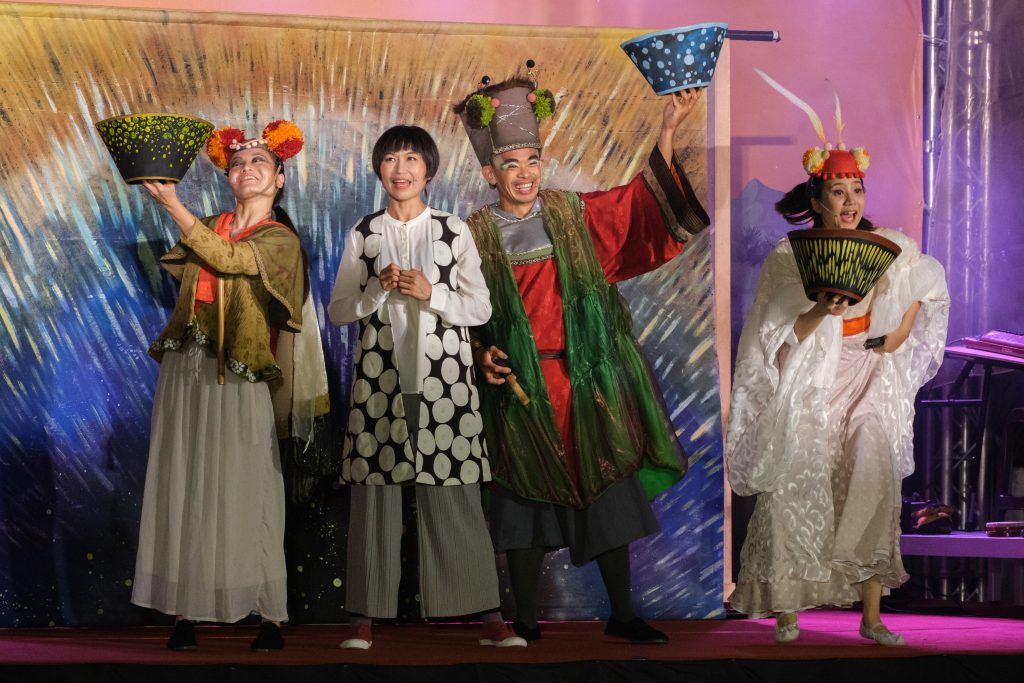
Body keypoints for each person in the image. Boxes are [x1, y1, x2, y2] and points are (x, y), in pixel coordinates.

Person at [454, 70, 710, 643]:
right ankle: (525, 619)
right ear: (490, 172)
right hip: (520, 387)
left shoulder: (574, 214)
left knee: (607, 490)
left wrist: (668, 129)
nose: (525, 173)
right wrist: (480, 352)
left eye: (532, 160)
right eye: (511, 164)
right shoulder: (470, 236)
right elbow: (456, 312)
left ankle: (623, 615)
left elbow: (637, 207)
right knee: (523, 501)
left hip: (587, 379)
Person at [725, 86, 950, 646]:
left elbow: (927, 286)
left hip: (868, 374)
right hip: (813, 379)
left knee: (871, 470)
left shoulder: (888, 245)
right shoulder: (790, 257)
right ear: (817, 198)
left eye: (857, 190)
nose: (849, 201)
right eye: (837, 191)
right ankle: (788, 610)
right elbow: (775, 338)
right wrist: (817, 312)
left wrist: (897, 332)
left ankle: (871, 617)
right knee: (797, 478)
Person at [132, 120, 329, 651]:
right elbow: (192, 266)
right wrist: (181, 215)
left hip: (239, 370)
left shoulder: (279, 240)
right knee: (187, 479)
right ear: (228, 177)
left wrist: (172, 206)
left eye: (260, 162)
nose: (247, 169)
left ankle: (269, 613)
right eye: (237, 163)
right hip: (187, 368)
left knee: (248, 485)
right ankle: (187, 609)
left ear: (280, 179)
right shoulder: (211, 225)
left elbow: (231, 260)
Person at [327, 125, 525, 650]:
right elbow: (339, 310)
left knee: (455, 493)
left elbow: (479, 307)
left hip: (445, 385)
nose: (401, 169)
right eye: (391, 159)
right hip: (380, 385)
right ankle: (364, 619)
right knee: (375, 495)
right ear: (379, 169)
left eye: (412, 158)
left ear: (429, 170)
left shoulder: (452, 229)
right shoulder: (364, 232)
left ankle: (488, 617)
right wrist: (376, 291)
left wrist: (431, 292)